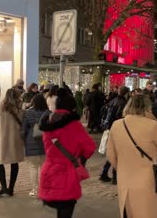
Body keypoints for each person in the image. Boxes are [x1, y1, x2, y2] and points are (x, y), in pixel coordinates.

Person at [106, 94, 157, 218]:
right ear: (148, 108)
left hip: (124, 181)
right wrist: (154, 120)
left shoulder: (116, 125)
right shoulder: (152, 126)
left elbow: (110, 155)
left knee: (128, 213)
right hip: (146, 181)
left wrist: (121, 169)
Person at [38, 88, 96, 218]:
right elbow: (89, 147)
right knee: (66, 209)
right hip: (67, 172)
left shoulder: (48, 122)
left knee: (57, 204)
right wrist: (80, 158)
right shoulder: (74, 125)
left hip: (49, 170)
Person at [0, 88, 25, 197]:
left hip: (2, 137)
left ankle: (3, 187)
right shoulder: (21, 106)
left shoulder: (2, 105)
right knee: (14, 162)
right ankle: (11, 188)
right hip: (15, 138)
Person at [99, 86, 130, 184]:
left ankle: (105, 173)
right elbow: (119, 116)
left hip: (110, 128)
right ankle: (114, 177)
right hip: (118, 129)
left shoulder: (113, 100)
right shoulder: (123, 103)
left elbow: (103, 109)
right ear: (126, 93)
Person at [21, 94, 48, 197]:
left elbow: (23, 130)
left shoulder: (28, 113)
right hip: (46, 143)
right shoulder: (48, 113)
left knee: (33, 167)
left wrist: (25, 142)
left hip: (31, 142)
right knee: (44, 168)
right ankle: (44, 189)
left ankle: (35, 190)